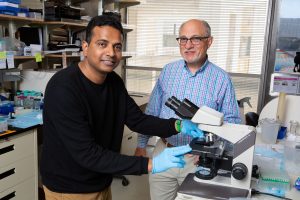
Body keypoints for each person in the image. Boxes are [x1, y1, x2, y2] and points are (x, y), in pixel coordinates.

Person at [40, 15, 205, 200]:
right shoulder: (63, 88)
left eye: (117, 46)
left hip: (100, 180)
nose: (111, 52)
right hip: (70, 189)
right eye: (102, 44)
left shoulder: (113, 82)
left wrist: (177, 125)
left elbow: (137, 120)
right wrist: (150, 164)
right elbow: (87, 154)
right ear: (85, 47)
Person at [135, 19, 241, 200]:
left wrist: (213, 153)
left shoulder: (221, 79)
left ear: (209, 41)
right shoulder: (168, 71)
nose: (188, 45)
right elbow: (152, 112)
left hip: (199, 160)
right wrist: (141, 145)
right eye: (183, 39)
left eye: (196, 39)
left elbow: (232, 123)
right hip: (165, 152)